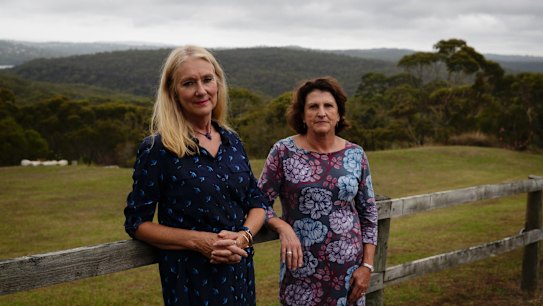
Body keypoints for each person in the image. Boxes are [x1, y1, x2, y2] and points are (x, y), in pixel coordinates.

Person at [123, 45, 266, 306]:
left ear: (218, 83)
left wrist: (244, 236)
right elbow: (136, 223)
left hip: (239, 276)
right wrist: (199, 241)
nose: (201, 90)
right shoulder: (158, 149)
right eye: (189, 83)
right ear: (173, 93)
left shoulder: (232, 141)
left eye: (207, 80)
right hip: (191, 284)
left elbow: (257, 203)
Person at [258, 77, 378, 306]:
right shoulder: (283, 152)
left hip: (349, 273)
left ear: (339, 114)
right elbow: (258, 202)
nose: (321, 112)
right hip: (301, 272)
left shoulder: (356, 154)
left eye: (328, 106)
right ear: (302, 115)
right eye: (313, 106)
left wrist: (367, 266)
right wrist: (282, 226)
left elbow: (369, 214)